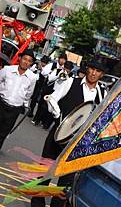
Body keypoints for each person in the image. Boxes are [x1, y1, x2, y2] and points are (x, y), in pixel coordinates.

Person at [31, 58, 108, 207]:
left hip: (78, 143)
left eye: (98, 71)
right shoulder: (70, 82)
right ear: (87, 69)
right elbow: (52, 99)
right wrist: (58, 115)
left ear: (102, 74)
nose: (93, 73)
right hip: (58, 136)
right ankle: (36, 203)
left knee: (66, 180)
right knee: (44, 171)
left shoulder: (102, 93)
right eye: (92, 69)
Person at [0, 49, 36, 150]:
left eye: (29, 61)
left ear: (31, 63)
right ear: (20, 58)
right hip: (1, 103)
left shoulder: (32, 77)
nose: (26, 62)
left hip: (14, 109)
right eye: (25, 59)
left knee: (3, 133)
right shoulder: (7, 70)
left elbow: (29, 93)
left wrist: (23, 103)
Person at [32, 53, 68, 128]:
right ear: (59, 58)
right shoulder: (52, 65)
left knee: (47, 106)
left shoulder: (64, 69)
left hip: (55, 90)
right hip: (47, 87)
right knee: (41, 103)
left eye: (64, 59)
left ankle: (42, 120)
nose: (62, 61)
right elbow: (43, 72)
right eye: (61, 58)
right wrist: (51, 74)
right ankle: (36, 118)